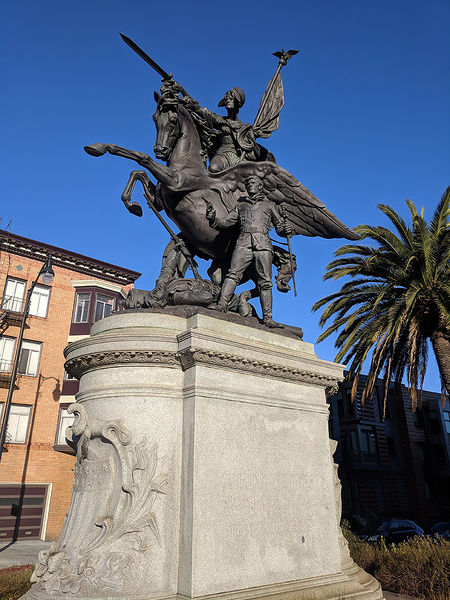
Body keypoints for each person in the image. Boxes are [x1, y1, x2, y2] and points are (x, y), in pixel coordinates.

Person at [205, 175, 291, 327]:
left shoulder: (269, 205)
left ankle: (268, 319)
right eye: (248, 183)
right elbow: (226, 222)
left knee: (265, 282)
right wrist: (214, 219)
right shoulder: (240, 205)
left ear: (259, 186)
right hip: (243, 242)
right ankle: (222, 305)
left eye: (253, 183)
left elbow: (279, 228)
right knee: (233, 274)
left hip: (263, 244)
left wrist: (286, 229)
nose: (250, 185)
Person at [160, 79, 273, 172]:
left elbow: (257, 154)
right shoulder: (219, 119)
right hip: (222, 154)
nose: (227, 100)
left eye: (231, 98)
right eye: (226, 98)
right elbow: (197, 108)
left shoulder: (245, 128)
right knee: (214, 168)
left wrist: (252, 140)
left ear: (238, 102)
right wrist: (182, 90)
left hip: (238, 158)